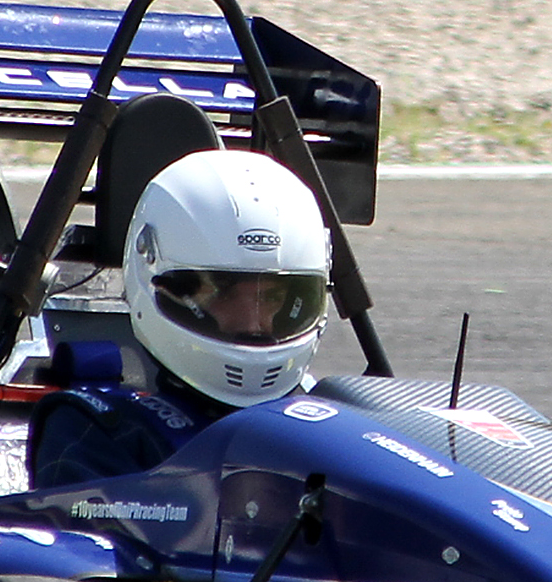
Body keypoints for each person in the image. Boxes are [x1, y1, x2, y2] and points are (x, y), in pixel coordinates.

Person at [27, 147, 335, 489]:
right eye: (223, 294)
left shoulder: (336, 424)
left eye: (272, 297)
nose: (252, 324)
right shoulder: (97, 429)